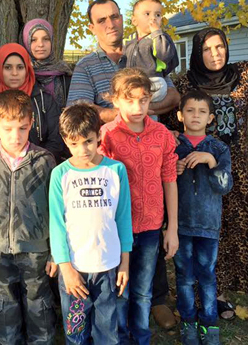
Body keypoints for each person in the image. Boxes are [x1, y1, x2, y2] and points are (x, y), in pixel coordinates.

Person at [160, 27, 248, 316]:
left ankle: (218, 290)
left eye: (219, 47)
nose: (215, 54)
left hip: (235, 171)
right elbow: (167, 120)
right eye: (207, 49)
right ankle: (199, 290)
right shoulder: (183, 84)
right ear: (198, 53)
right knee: (199, 230)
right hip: (194, 174)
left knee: (230, 230)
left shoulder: (243, 75)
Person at [0, 89, 57, 345]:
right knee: (4, 315)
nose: (15, 136)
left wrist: (55, 253)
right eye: (8, 128)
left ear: (31, 124)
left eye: (22, 128)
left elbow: (57, 210)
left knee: (40, 310)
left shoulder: (45, 161)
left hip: (37, 253)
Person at [99, 68, 178, 345]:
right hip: (117, 229)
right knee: (120, 289)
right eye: (129, 100)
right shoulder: (106, 135)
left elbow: (169, 179)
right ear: (115, 100)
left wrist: (173, 229)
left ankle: (141, 337)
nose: (137, 107)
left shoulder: (162, 135)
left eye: (143, 100)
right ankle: (120, 337)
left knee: (143, 290)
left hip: (150, 226)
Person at [49, 103, 133, 344]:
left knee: (107, 330)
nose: (83, 149)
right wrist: (66, 269)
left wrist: (124, 263)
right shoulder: (60, 175)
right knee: (76, 331)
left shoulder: (116, 171)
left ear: (99, 136)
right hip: (74, 271)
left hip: (108, 268)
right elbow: (56, 224)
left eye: (88, 141)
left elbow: (123, 218)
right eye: (74, 143)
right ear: (65, 140)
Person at [173, 90, 233, 345]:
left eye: (202, 112)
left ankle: (209, 324)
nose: (195, 116)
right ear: (180, 115)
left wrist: (210, 162)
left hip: (209, 225)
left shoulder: (218, 148)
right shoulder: (174, 146)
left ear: (210, 118)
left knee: (207, 274)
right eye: (190, 110)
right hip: (180, 225)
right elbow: (161, 183)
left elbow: (224, 186)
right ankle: (188, 322)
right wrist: (172, 171)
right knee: (184, 276)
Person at [67, 0, 180, 123]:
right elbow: (78, 111)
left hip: (151, 137)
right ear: (92, 28)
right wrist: (128, 113)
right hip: (110, 140)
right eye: (102, 20)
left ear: (121, 19)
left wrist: (143, 109)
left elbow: (173, 96)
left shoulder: (143, 50)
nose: (110, 24)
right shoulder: (85, 66)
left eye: (114, 17)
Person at [0, 42, 65, 162]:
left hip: (41, 167)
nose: (14, 73)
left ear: (27, 69)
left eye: (20, 67)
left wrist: (35, 163)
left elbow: (56, 140)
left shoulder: (43, 99)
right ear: (0, 69)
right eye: (8, 67)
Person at [124, 0, 179, 121]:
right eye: (147, 14)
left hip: (153, 80)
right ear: (134, 20)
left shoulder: (160, 38)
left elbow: (165, 55)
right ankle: (147, 128)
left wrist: (157, 33)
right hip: (134, 82)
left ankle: (148, 129)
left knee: (139, 106)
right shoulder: (130, 41)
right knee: (141, 111)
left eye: (158, 15)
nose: (153, 18)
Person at [21, 18, 73, 108]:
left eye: (46, 39)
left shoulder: (65, 74)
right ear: (26, 42)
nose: (41, 44)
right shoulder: (20, 75)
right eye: (33, 40)